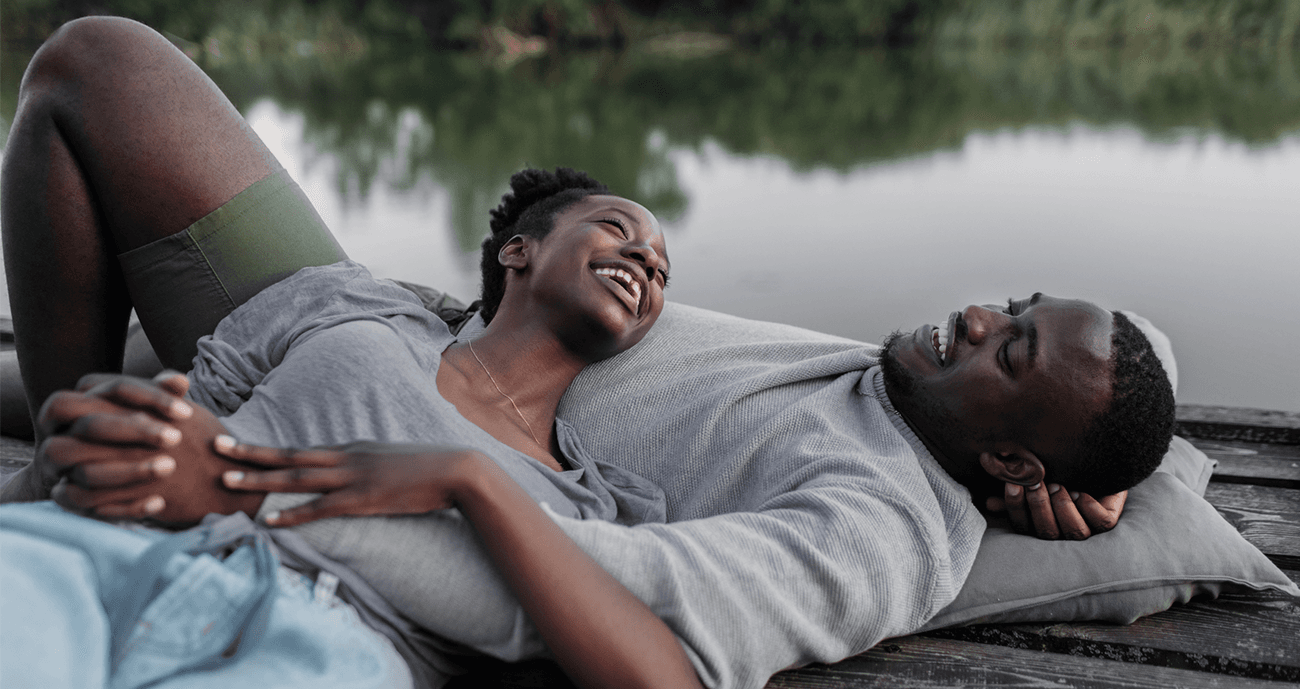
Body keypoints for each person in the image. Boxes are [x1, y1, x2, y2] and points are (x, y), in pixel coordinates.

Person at [1, 15, 1178, 689]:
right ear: (516, 249)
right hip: (384, 332)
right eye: (1009, 303)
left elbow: (639, 619)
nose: (976, 316)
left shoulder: (879, 521)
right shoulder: (902, 373)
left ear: (1021, 461)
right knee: (100, 62)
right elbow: (1131, 348)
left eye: (1008, 349)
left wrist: (246, 484)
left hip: (356, 569)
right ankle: (77, 465)